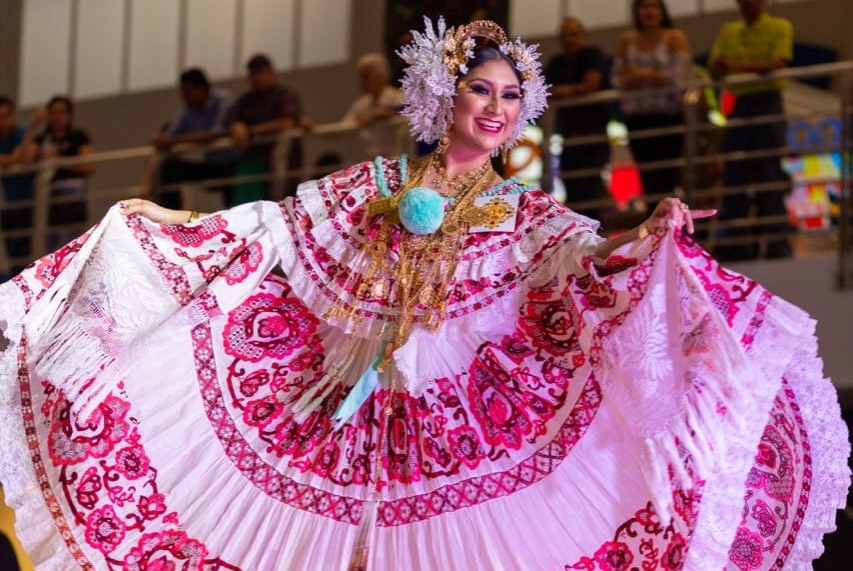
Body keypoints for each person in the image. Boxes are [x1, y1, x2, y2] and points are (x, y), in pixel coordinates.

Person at [0, 17, 848, 571]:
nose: (495, 107)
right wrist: (160, 215)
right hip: (345, 398)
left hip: (459, 417)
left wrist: (649, 229)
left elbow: (588, 253)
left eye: (511, 96)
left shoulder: (521, 208)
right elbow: (269, 227)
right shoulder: (373, 181)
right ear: (445, 93)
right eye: (480, 88)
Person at [709, 0, 794, 260]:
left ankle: (778, 247)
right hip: (741, 105)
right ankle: (735, 248)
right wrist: (746, 68)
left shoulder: (780, 26)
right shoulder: (728, 30)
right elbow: (716, 68)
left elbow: (778, 64)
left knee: (770, 175)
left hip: (767, 103)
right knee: (735, 175)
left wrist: (734, 66)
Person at [612, 0, 692, 202]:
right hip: (638, 119)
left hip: (668, 117)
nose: (649, 11)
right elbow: (618, 79)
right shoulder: (627, 40)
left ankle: (674, 224)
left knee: (668, 175)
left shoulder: (674, 37)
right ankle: (655, 227)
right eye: (644, 7)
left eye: (654, 6)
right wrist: (654, 76)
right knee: (647, 178)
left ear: (662, 11)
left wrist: (640, 74)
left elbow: (680, 78)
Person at [544, 17, 612, 219]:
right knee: (573, 191)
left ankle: (595, 239)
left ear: (583, 36)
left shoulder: (593, 54)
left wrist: (563, 91)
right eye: (565, 35)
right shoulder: (557, 63)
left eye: (573, 34)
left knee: (590, 189)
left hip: (594, 136)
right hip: (569, 137)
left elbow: (590, 84)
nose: (569, 39)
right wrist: (574, 90)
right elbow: (542, 90)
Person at [149, 67, 236, 210]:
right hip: (211, 166)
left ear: (201, 88)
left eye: (187, 91)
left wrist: (179, 139)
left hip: (233, 165)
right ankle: (170, 218)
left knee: (234, 206)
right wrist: (160, 139)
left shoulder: (224, 101)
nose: (184, 97)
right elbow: (171, 136)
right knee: (169, 168)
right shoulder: (187, 110)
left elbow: (218, 132)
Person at [226, 53, 308, 204]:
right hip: (256, 167)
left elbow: (287, 122)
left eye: (261, 72)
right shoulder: (245, 101)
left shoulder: (285, 95)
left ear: (272, 73)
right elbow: (231, 121)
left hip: (283, 164)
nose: (256, 78)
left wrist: (250, 131)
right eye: (253, 74)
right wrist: (236, 127)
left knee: (284, 205)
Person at [18, 95, 95, 250]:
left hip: (73, 199)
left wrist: (59, 160)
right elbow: (25, 159)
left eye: (61, 113)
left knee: (73, 246)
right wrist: (32, 126)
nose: (57, 117)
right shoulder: (43, 139)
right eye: (53, 113)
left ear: (69, 115)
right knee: (52, 247)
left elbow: (89, 166)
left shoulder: (78, 137)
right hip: (49, 201)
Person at [342, 53, 405, 158]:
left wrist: (383, 114)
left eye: (365, 77)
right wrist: (314, 129)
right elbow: (343, 129)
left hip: (397, 160)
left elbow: (411, 110)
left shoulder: (398, 97)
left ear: (380, 76)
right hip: (372, 163)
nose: (361, 82)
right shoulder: (361, 104)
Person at [0, 96, 35, 276]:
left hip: (28, 202)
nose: (3, 122)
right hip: (7, 206)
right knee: (11, 252)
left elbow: (22, 157)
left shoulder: (22, 133)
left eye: (6, 116)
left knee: (24, 252)